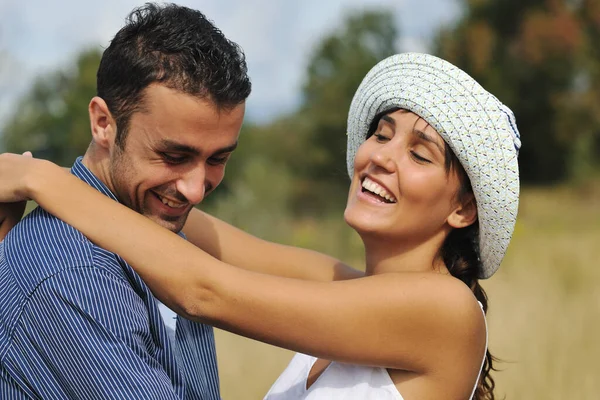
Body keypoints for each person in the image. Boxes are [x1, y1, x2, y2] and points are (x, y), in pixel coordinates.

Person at [0, 52, 521, 399]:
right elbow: (161, 210)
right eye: (382, 135)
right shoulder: (348, 291)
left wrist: (35, 177)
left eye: (420, 155)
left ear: (463, 210)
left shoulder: (446, 310)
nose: (382, 158)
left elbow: (205, 290)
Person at [0, 2, 259, 398]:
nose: (193, 189)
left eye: (218, 158)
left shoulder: (157, 229)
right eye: (174, 156)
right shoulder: (74, 277)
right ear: (103, 123)